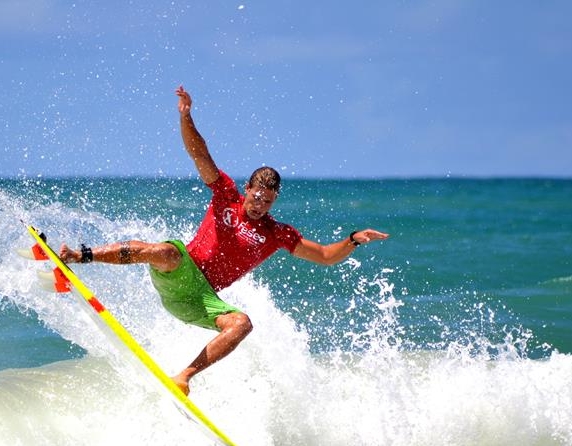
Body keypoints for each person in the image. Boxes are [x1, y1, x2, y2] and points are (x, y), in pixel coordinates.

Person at [60, 85, 388, 395]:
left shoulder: (277, 234)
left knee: (242, 323)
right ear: (248, 189)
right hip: (180, 273)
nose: (260, 205)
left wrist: (353, 239)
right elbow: (199, 154)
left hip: (202, 301)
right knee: (165, 252)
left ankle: (184, 377)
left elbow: (326, 256)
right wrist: (186, 116)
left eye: (268, 201)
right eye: (257, 197)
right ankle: (77, 256)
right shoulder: (226, 195)